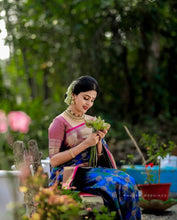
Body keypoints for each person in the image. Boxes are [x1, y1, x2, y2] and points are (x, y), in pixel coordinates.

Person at [48, 76, 141, 220]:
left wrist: (99, 141)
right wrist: (85, 144)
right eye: (86, 98)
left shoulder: (92, 121)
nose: (89, 103)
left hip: (90, 170)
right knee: (114, 184)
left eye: (92, 100)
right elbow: (54, 161)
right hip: (68, 174)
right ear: (73, 95)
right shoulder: (59, 123)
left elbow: (98, 158)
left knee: (128, 180)